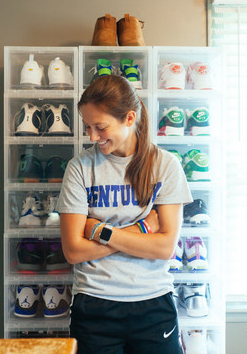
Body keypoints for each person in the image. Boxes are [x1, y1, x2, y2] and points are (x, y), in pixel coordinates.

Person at [57, 74, 192, 354]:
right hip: (95, 304)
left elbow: (165, 248)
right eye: (87, 127)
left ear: (129, 119)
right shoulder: (79, 168)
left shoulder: (165, 166)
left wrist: (98, 230)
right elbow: (73, 251)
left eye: (100, 127)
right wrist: (141, 230)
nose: (93, 137)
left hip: (154, 303)